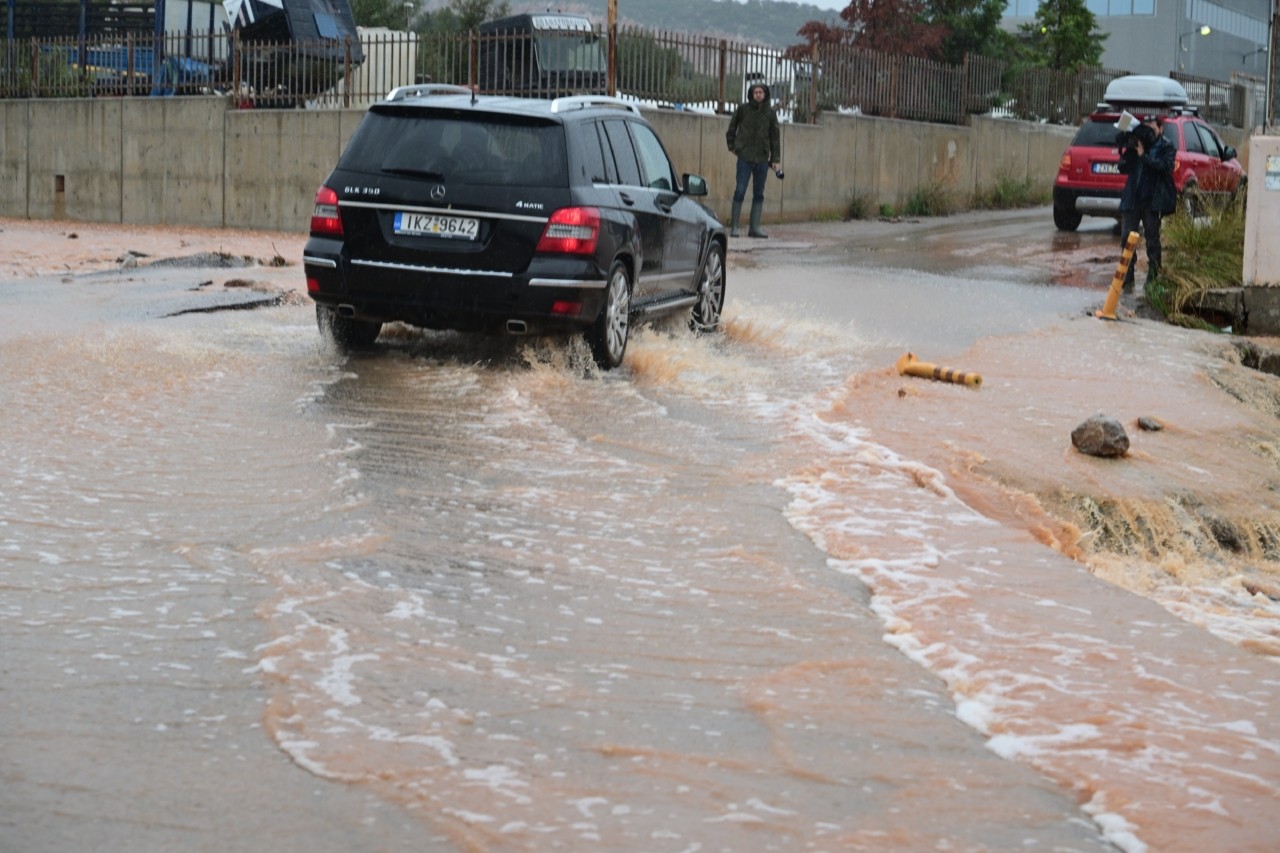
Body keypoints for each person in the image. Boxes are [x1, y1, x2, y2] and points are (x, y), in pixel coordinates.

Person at [1117, 114, 1176, 288]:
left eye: (1152, 128)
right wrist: (1127, 149)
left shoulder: (1166, 146)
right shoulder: (1138, 144)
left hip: (1152, 200)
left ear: (1160, 128)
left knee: (1152, 239)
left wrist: (1143, 155)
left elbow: (1164, 167)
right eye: (1146, 127)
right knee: (1126, 239)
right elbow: (1123, 168)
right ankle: (1127, 277)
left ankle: (1154, 276)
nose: (1149, 131)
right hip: (1132, 199)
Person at [725, 82, 781, 238]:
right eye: (755, 92)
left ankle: (754, 227)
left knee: (759, 193)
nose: (758, 95)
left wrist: (775, 158)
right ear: (751, 94)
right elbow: (731, 129)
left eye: (761, 92)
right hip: (745, 157)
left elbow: (775, 137)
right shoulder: (743, 109)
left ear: (765, 94)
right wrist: (732, 147)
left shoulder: (770, 113)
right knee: (740, 190)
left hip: (762, 158)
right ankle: (734, 226)